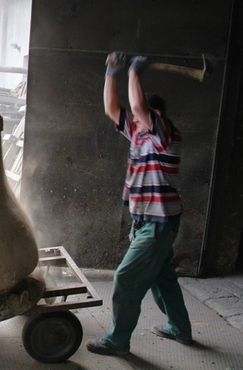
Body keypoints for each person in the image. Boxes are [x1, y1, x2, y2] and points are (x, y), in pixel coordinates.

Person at [86, 52, 193, 355]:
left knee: (126, 278)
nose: (133, 120)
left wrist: (134, 72)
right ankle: (179, 328)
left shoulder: (165, 134)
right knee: (163, 278)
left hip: (158, 225)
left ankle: (118, 341)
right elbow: (112, 108)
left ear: (155, 115)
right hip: (148, 222)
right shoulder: (138, 133)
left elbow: (135, 105)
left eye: (141, 116)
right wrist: (111, 72)